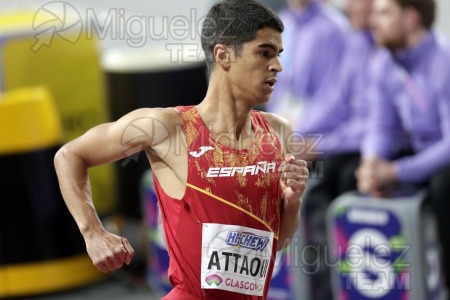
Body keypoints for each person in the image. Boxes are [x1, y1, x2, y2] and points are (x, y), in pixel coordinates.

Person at [54, 1, 309, 299]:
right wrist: (93, 232)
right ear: (223, 55)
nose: (278, 65)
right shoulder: (167, 127)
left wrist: (292, 203)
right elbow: (70, 155)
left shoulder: (277, 131)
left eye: (278, 54)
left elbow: (279, 243)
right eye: (264, 53)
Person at [355, 0, 450, 295]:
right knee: (351, 177)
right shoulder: (384, 60)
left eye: (383, 13)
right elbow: (380, 123)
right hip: (416, 151)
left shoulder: (444, 60)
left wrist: (396, 172)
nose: (373, 21)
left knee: (444, 184)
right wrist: (371, 163)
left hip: (442, 156)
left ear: (410, 18)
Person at [265, 0, 349, 124]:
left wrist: (300, 129)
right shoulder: (282, 22)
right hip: (281, 120)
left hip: (314, 129)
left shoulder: (334, 29)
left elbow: (333, 94)